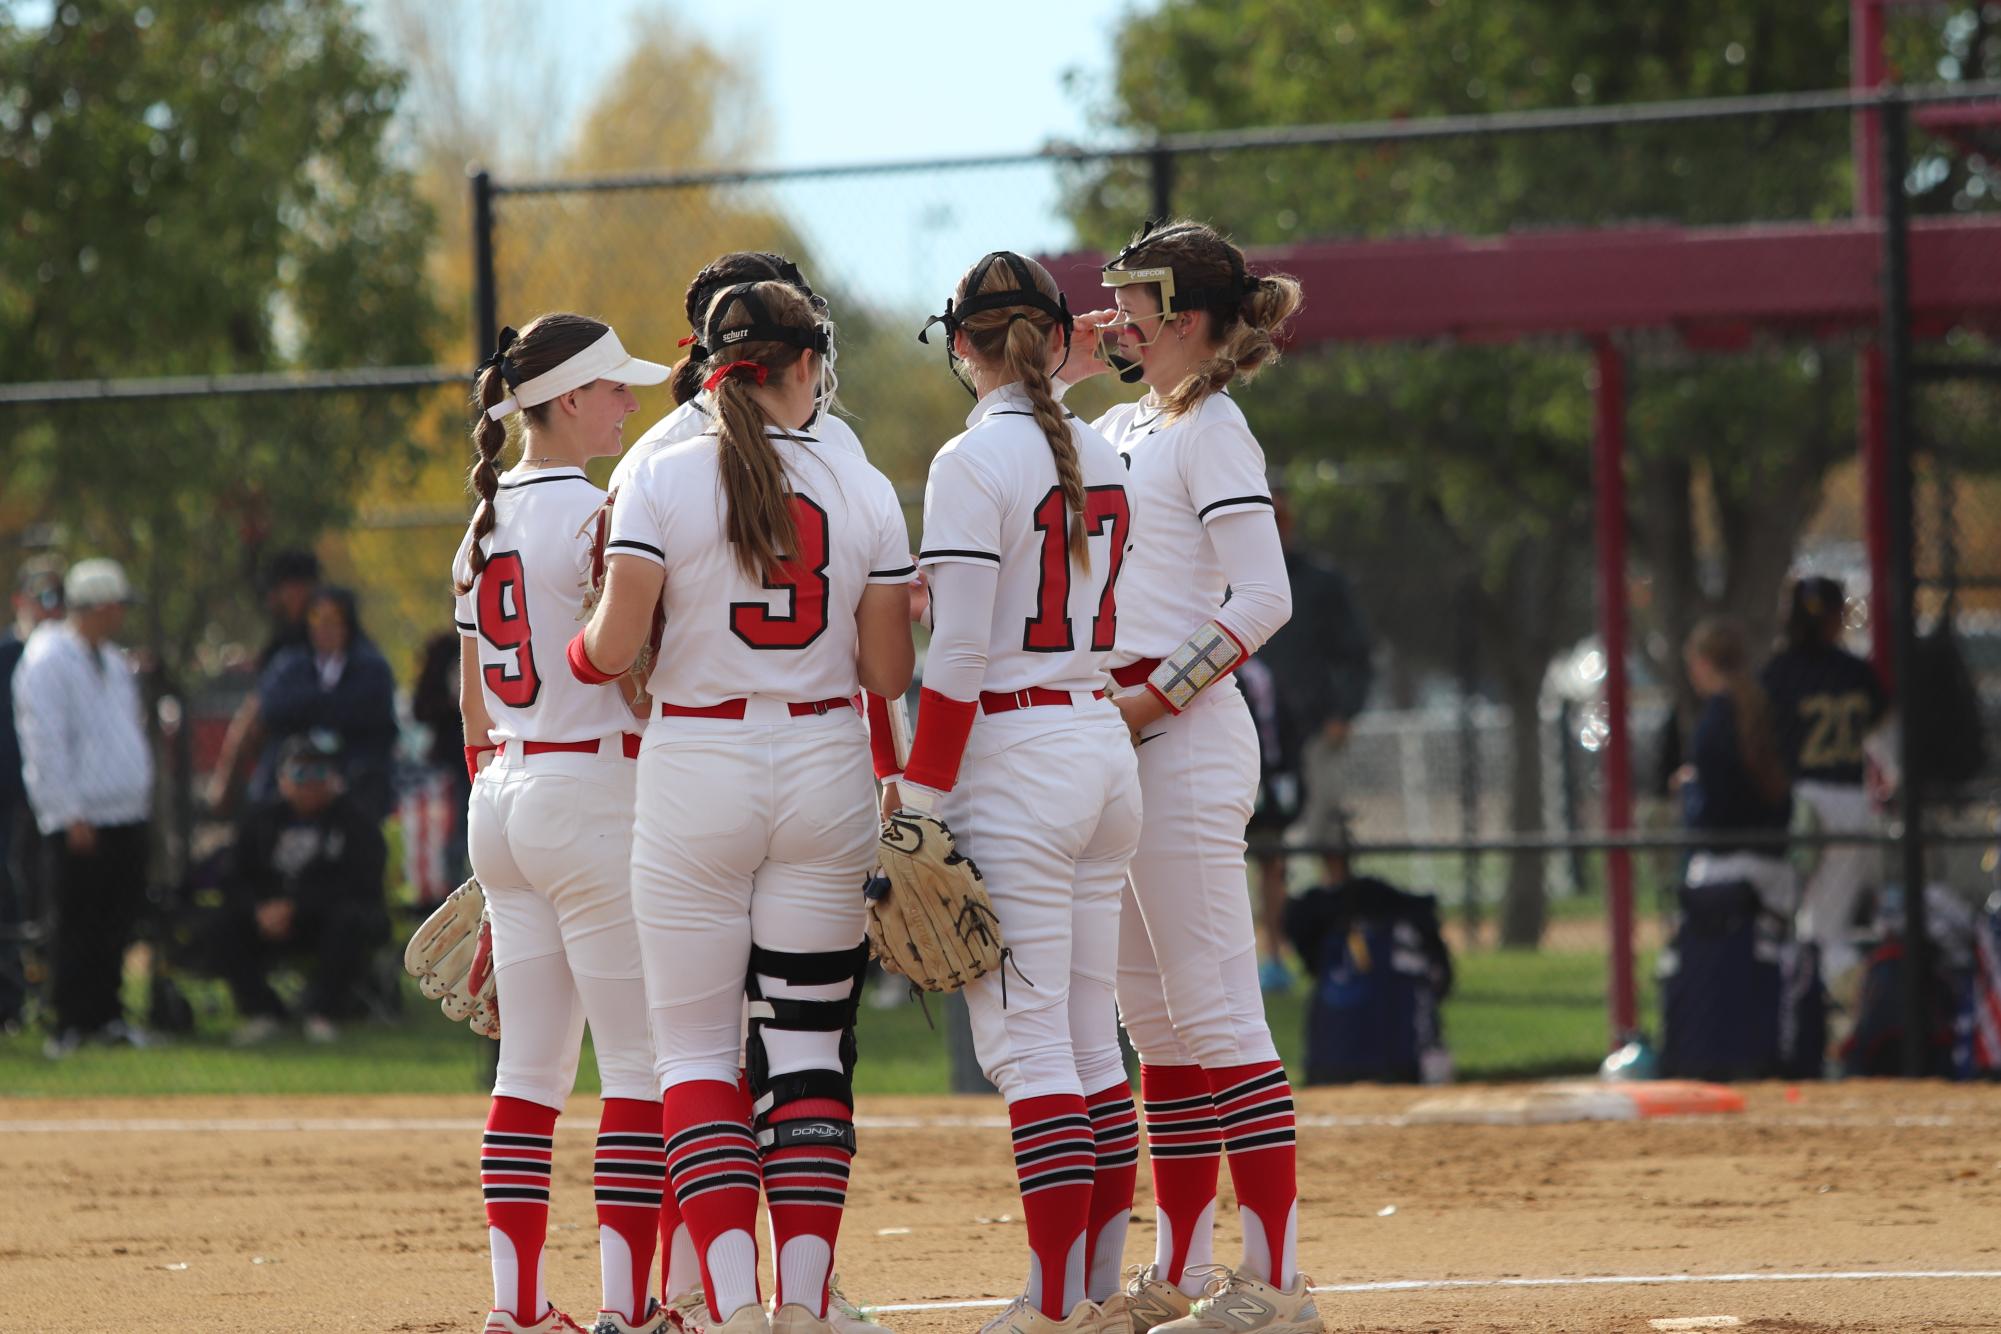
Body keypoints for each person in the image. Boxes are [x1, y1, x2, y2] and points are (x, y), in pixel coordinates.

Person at [576, 279, 913, 1334]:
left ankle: (726, 1307)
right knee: (809, 1045)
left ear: (711, 363)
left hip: (698, 761)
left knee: (695, 1053)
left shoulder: (662, 474)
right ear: (807, 362)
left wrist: (582, 643)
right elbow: (888, 667)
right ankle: (804, 1303)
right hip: (823, 756)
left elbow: (613, 649)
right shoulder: (861, 480)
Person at [1060, 219, 1316, 1334]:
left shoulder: (1215, 425)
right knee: (1156, 1024)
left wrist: (1151, 697)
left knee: (1217, 1013)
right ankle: (1181, 1267)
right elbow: (1028, 462)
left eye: (1132, 301)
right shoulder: (1123, 418)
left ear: (1187, 314)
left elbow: (1263, 597)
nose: (1113, 316)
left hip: (1183, 737)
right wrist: (1058, 373)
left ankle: (1277, 1281)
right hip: (1122, 745)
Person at [895, 251, 1140, 1334]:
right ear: (1051, 338)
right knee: (1091, 1041)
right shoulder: (1104, 450)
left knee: (1030, 1047)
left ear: (961, 344)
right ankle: (1089, 1290)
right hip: (1097, 739)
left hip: (1015, 756)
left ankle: (1052, 1304)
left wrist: (920, 799)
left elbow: (954, 659)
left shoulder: (968, 459)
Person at [454, 313, 673, 1334]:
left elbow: (471, 702)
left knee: (529, 1070)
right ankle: (632, 1310)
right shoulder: (599, 511)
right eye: (615, 388)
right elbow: (637, 672)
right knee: (640, 1066)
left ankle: (517, 1307)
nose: (631, 402)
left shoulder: (482, 521)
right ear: (570, 398)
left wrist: (496, 815)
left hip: (500, 790)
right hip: (588, 789)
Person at [12, 558, 155, 1058]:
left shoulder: (112, 660)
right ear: (95, 606)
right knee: (73, 923)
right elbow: (43, 742)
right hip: (78, 817)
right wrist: (67, 811)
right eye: (114, 606)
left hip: (123, 813)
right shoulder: (48, 658)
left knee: (115, 922)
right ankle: (69, 1021)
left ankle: (107, 1016)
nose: (119, 617)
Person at [1250, 487, 1373, 990]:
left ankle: (1341, 946)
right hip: (1260, 736)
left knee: (1328, 837)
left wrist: (1343, 713)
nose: (1274, 526)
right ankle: (1274, 956)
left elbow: (1356, 655)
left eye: (1279, 516)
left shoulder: (1321, 583)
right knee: (1266, 848)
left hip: (1316, 732)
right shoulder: (1230, 583)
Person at [213, 731, 388, 1044]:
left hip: (326, 918)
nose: (310, 782)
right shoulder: (261, 820)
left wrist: (298, 905)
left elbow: (360, 882)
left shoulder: (355, 822)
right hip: (269, 918)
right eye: (299, 772)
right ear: (282, 779)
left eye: (320, 772)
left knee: (349, 921)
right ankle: (264, 1013)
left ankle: (323, 1013)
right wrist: (261, 908)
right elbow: (234, 876)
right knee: (223, 924)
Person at [1760, 576, 1887, 985]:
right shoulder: (1856, 671)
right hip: (1850, 803)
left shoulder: (1778, 672)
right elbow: (1888, 747)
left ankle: (1800, 1011)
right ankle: (1830, 1007)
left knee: (1785, 918)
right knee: (1828, 928)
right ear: (1837, 617)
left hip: (1799, 804)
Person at [1675, 617, 1795, 916]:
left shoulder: (1714, 722)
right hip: (1776, 862)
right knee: (1769, 958)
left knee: (1703, 951)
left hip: (1725, 865)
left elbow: (1714, 809)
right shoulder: (1763, 709)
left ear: (1704, 664)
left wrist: (1690, 788)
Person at [255, 585, 399, 819]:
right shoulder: (290, 665)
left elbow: (370, 714)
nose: (325, 628)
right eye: (317, 618)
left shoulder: (371, 667)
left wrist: (314, 706)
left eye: (333, 619)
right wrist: (327, 703)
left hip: (352, 768)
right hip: (296, 762)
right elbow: (272, 708)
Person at [207, 548, 320, 813]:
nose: (271, 600)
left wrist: (227, 780)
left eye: (278, 589)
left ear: (299, 588)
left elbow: (257, 717)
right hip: (284, 762)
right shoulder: (283, 641)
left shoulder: (313, 643)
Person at [0, 559, 64, 1029]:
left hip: (55, 802)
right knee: (9, 892)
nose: (53, 609)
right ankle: (10, 999)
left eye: (60, 599)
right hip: (7, 795)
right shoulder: (6, 655)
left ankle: (54, 995)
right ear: (19, 601)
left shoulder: (73, 659)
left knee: (51, 896)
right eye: (44, 598)